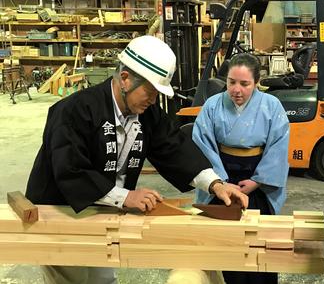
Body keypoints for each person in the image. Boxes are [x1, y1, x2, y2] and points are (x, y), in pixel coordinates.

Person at [25, 35, 248, 284]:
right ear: (125, 78)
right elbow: (69, 169)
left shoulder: (145, 113)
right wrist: (127, 197)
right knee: (71, 277)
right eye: (150, 91)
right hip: (59, 210)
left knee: (102, 276)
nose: (153, 100)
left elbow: (174, 146)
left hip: (102, 210)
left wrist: (216, 184)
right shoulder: (74, 111)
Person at [192, 53, 289, 284]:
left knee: (260, 245)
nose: (237, 89)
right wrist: (220, 183)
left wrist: (258, 180)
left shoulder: (271, 105)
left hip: (258, 181)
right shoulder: (213, 105)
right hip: (221, 178)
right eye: (231, 82)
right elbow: (202, 143)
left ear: (256, 83)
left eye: (244, 84)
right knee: (228, 246)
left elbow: (279, 144)